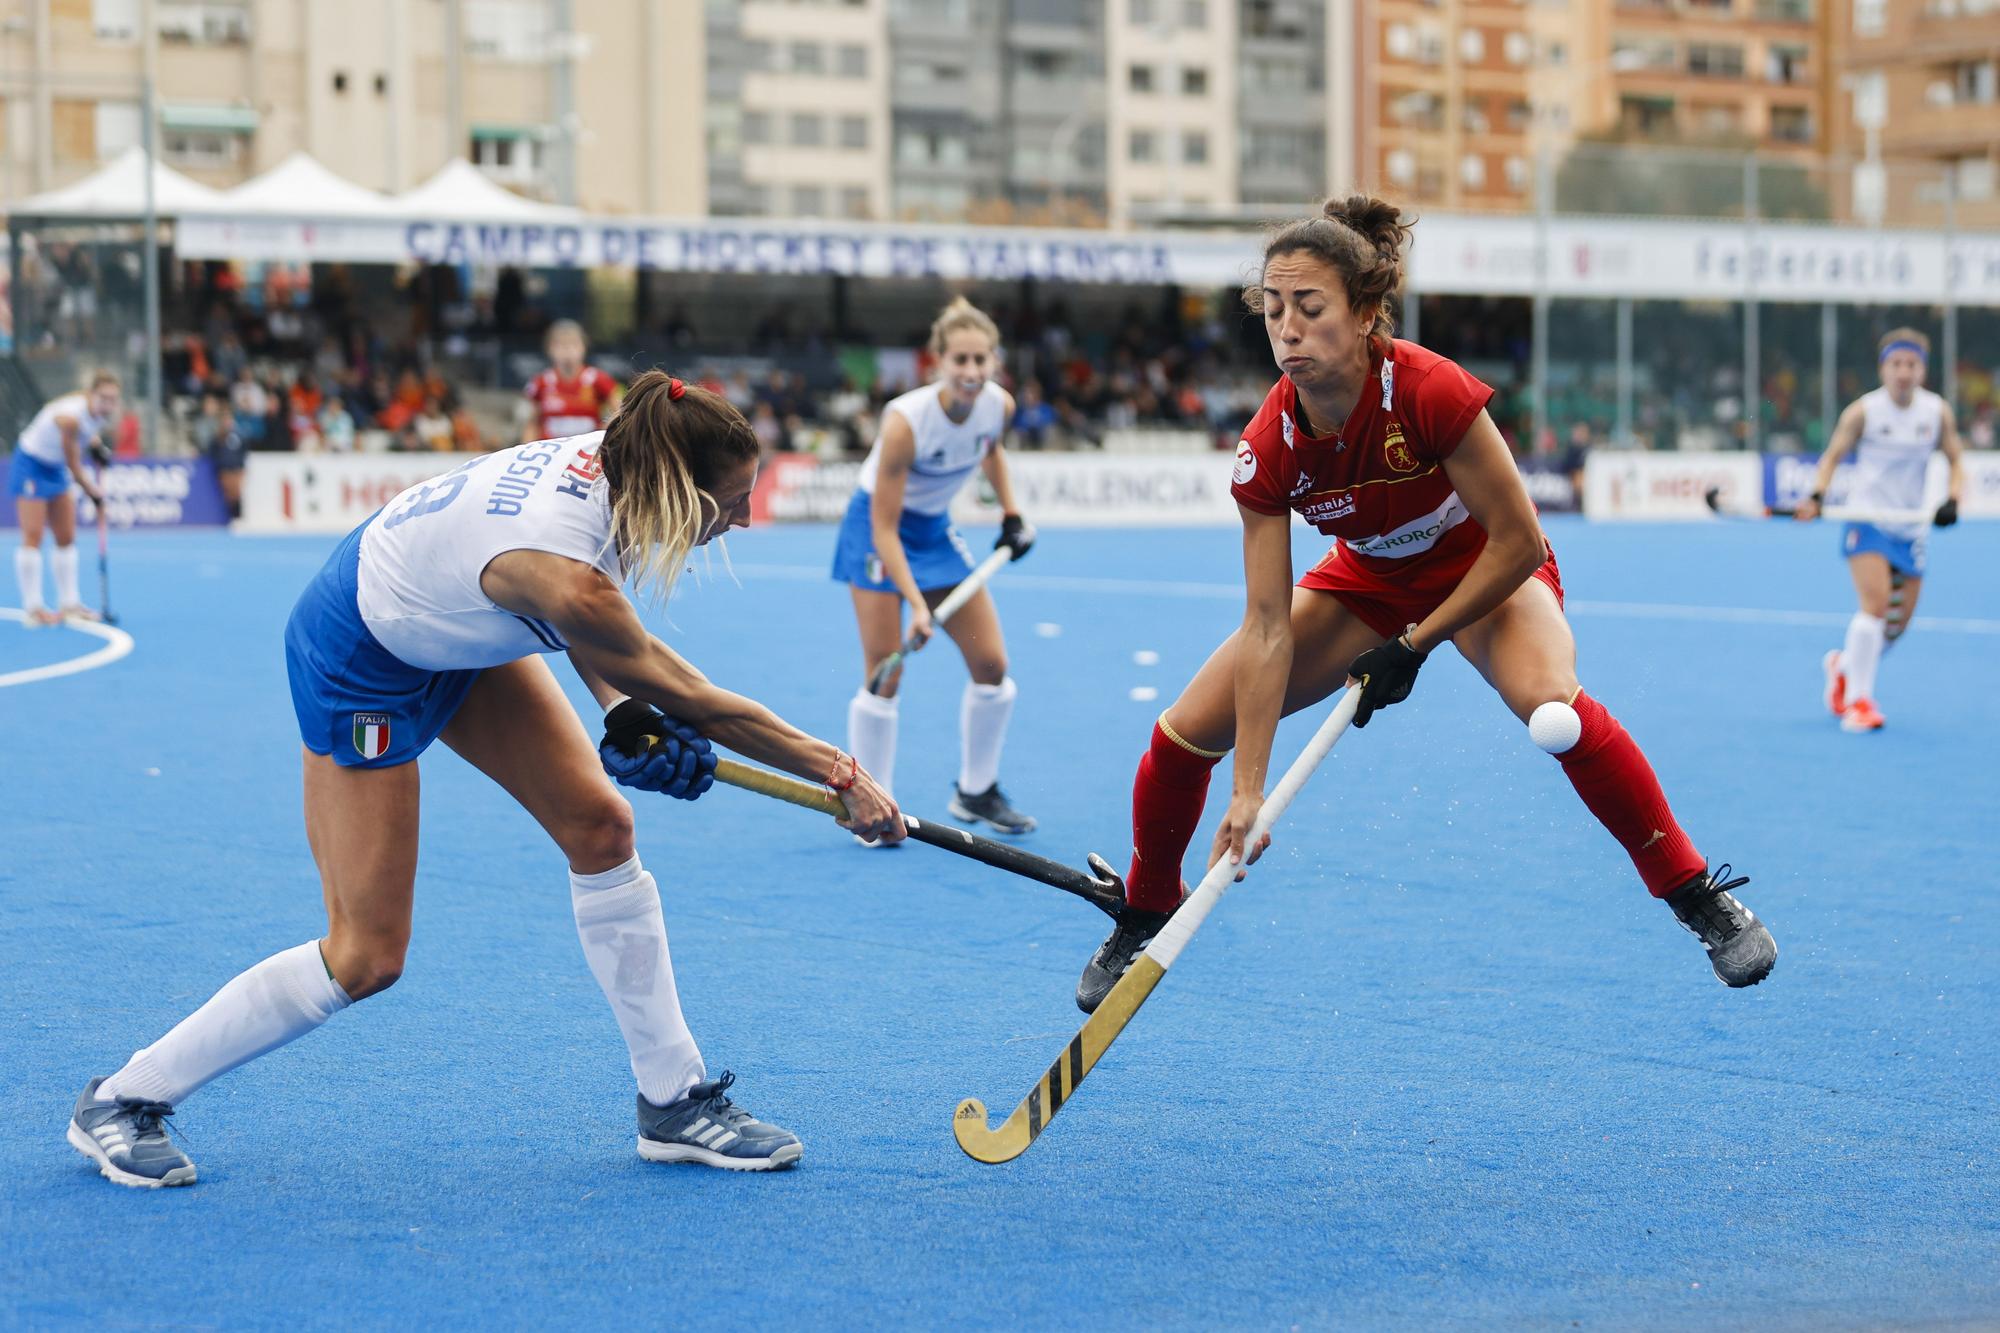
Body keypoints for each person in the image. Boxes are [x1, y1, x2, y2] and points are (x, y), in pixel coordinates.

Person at [69, 372, 902, 1188]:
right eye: (732, 503)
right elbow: (677, 685)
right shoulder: (562, 560)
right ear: (676, 489)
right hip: (360, 656)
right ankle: (124, 1096)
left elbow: (603, 634)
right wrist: (841, 775)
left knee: (601, 827)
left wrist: (618, 710)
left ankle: (673, 1100)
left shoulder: (619, 461)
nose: (745, 519)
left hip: (453, 636)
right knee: (366, 954)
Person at [1073, 195, 1777, 1014]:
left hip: (1485, 571)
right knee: (1183, 735)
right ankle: (1150, 905)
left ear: (1367, 313)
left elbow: (1519, 540)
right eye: (1273, 311)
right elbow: (1265, 626)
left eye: (1310, 307)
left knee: (1557, 710)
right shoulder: (1267, 447)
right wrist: (1248, 790)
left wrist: (1417, 644)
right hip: (1368, 579)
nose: (1287, 330)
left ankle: (1695, 892)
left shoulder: (1431, 390)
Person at [831, 297, 1039, 838]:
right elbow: (884, 529)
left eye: (981, 361)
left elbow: (989, 449)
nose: (971, 373)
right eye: (960, 361)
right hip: (878, 530)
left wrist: (1011, 511)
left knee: (991, 666)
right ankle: (869, 801)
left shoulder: (1000, 406)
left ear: (995, 361)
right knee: (885, 672)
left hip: (932, 529)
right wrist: (918, 606)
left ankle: (976, 792)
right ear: (938, 362)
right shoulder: (906, 422)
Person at [1796, 328, 1965, 734]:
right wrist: (1817, 495)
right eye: (1896, 364)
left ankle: (1844, 666)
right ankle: (1859, 703)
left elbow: (1957, 461)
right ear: (1883, 368)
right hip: (1867, 520)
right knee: (1873, 608)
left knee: (1896, 626)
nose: (1903, 373)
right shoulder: (1863, 412)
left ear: (1923, 370)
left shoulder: (1936, 412)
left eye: (1911, 364)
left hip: (1911, 526)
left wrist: (1953, 499)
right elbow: (1832, 457)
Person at [9, 372, 117, 626]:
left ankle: (69, 604)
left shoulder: (97, 415)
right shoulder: (70, 418)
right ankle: (33, 608)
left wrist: (97, 447)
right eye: (104, 398)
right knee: (33, 535)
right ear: (92, 395)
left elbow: (87, 433)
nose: (109, 404)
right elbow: (73, 463)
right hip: (32, 464)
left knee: (66, 536)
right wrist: (94, 493)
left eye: (113, 399)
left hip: (55, 467)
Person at [523, 319, 620, 443]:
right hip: (551, 453)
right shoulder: (540, 382)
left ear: (584, 347)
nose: (567, 351)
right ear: (549, 349)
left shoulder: (599, 379)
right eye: (561, 345)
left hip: (587, 453)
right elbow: (531, 423)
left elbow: (619, 414)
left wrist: (603, 439)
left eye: (573, 344)